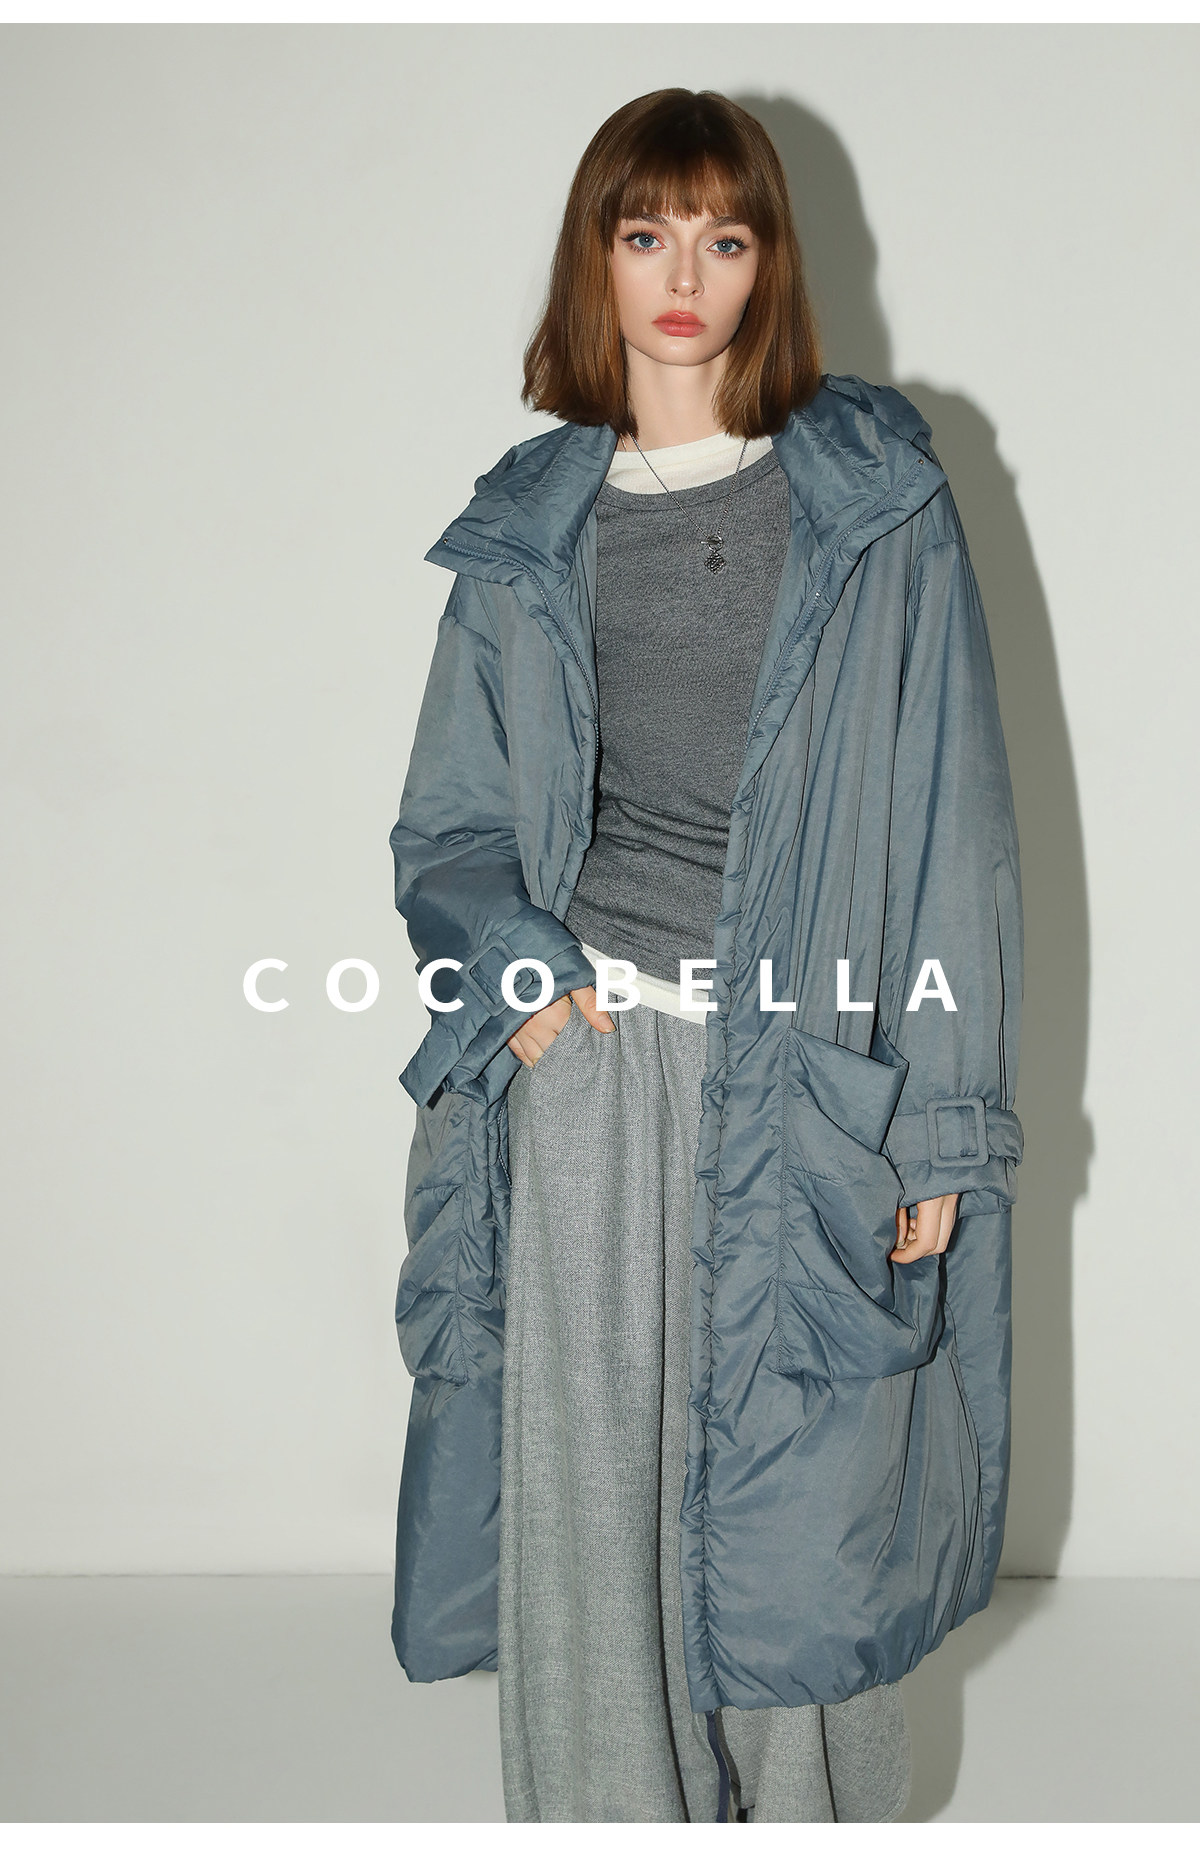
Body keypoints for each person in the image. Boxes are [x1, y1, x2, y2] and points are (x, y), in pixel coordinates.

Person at [387, 88, 1023, 1824]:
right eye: (646, 233)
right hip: (592, 1070)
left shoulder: (877, 499)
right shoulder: (528, 524)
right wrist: (523, 986)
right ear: (595, 258)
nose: (685, 277)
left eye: (724, 238)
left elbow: (956, 826)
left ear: (769, 264)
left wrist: (941, 1124)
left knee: (803, 1515)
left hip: (808, 1084)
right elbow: (448, 820)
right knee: (593, 1498)